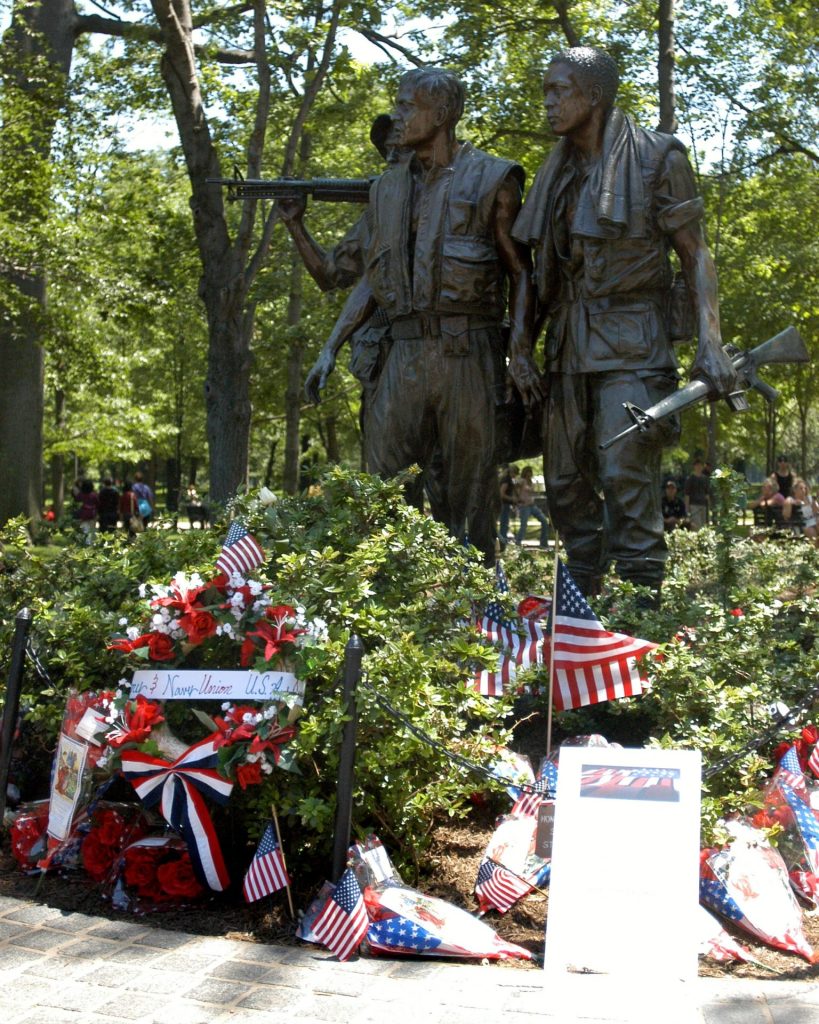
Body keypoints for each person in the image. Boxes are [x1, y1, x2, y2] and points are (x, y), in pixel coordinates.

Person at [509, 47, 736, 602]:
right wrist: (520, 346)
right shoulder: (556, 173)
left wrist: (713, 343)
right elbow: (542, 274)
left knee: (623, 474)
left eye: (560, 91)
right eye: (546, 91)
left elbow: (695, 254)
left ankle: (640, 622)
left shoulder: (658, 157)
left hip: (633, 341)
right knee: (562, 484)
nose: (549, 103)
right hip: (568, 345)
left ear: (594, 95)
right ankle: (585, 622)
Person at [291, 69, 535, 564]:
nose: (398, 116)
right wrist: (329, 349)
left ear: (441, 115)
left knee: (467, 502)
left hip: (467, 354)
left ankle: (474, 616)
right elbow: (370, 282)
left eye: (407, 106)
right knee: (382, 498)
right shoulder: (386, 190)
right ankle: (389, 621)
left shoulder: (493, 178)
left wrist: (522, 352)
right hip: (399, 357)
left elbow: (522, 273)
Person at [514, 467, 550, 547]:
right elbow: (515, 488)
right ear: (525, 473)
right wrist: (518, 499)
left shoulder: (531, 481)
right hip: (524, 506)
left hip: (532, 505)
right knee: (524, 525)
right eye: (528, 472)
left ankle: (544, 544)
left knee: (544, 521)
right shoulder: (522, 481)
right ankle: (517, 543)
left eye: (530, 472)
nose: (529, 474)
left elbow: (533, 492)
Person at [783, 478, 818, 544]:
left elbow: (816, 511)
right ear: (794, 490)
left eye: (804, 488)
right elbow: (786, 516)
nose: (803, 490)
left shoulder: (809, 498)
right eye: (801, 488)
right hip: (802, 524)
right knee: (811, 532)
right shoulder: (790, 500)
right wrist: (791, 503)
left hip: (814, 521)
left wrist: (814, 502)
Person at [684, 458, 710, 530]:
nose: (699, 467)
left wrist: (708, 506)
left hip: (703, 505)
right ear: (694, 466)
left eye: (700, 465)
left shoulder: (705, 479)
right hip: (694, 505)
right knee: (696, 526)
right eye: (697, 465)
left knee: (704, 526)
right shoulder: (690, 479)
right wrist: (687, 508)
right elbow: (687, 494)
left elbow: (707, 494)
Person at [498, 464, 519, 547]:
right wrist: (512, 499)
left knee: (505, 523)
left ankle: (503, 541)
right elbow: (501, 494)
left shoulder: (508, 479)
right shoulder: (506, 480)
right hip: (504, 504)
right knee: (504, 524)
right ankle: (503, 543)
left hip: (506, 504)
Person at [76, 479, 99, 545]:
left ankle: (85, 543)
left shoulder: (80, 494)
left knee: (84, 530)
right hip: (92, 515)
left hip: (83, 515)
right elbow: (97, 504)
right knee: (91, 530)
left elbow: (76, 502)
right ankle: (90, 543)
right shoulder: (94, 495)